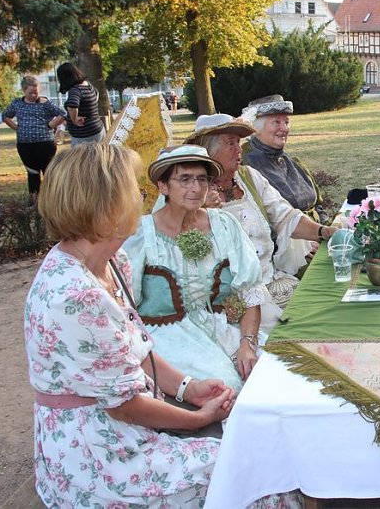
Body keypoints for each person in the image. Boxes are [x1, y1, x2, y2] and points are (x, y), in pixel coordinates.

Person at [25, 144, 237, 507]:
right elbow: (122, 405)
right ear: (104, 206)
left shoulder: (109, 260)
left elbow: (132, 347)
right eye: (132, 190)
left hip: (119, 424)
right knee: (241, 472)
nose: (141, 198)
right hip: (99, 452)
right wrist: (195, 419)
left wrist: (189, 388)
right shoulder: (75, 295)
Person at [124, 145, 268, 392]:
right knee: (226, 387)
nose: (195, 188)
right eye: (184, 179)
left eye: (202, 179)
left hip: (226, 329)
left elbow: (250, 294)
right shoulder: (141, 235)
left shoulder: (224, 225)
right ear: (163, 186)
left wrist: (248, 344)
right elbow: (124, 306)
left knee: (273, 374)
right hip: (169, 338)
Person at [186, 114, 336, 328]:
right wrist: (200, 210)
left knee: (326, 305)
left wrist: (325, 232)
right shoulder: (192, 191)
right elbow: (183, 248)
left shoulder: (248, 177)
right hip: (235, 300)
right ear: (208, 152)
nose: (239, 150)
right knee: (297, 330)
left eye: (239, 143)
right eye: (230, 144)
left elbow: (286, 217)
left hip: (274, 282)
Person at [242, 95, 331, 224]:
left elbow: (318, 206)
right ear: (256, 128)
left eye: (286, 122)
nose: (284, 129)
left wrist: (327, 226)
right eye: (276, 122)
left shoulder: (292, 162)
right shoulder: (247, 167)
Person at [2, 76, 66, 195]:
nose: (33, 96)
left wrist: (51, 125)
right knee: (32, 173)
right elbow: (5, 116)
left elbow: (62, 114)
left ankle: (52, 198)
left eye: (35, 93)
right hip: (25, 145)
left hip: (44, 144)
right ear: (24, 90)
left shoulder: (45, 103)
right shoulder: (17, 103)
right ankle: (34, 200)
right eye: (30, 93)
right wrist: (16, 127)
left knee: (48, 172)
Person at [56, 62, 105, 145]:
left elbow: (72, 105)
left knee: (83, 157)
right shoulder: (88, 85)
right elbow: (96, 94)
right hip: (96, 127)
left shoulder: (75, 90)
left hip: (85, 134)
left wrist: (74, 120)